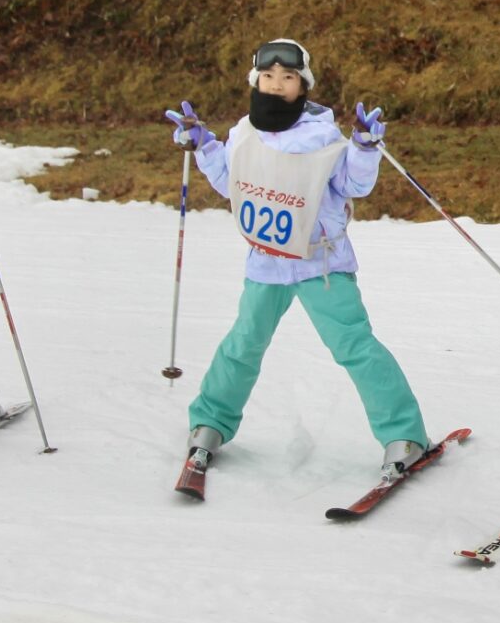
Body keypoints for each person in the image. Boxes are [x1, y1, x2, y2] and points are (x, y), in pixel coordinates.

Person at [163, 38, 429, 495]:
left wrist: (364, 148)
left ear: (302, 85)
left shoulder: (322, 137)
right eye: (268, 77)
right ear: (256, 81)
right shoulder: (244, 132)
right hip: (266, 262)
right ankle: (210, 422)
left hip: (319, 263)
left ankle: (404, 434)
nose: (277, 85)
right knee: (244, 344)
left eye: (287, 78)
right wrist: (205, 146)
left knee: (354, 345)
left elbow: (353, 185)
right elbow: (232, 183)